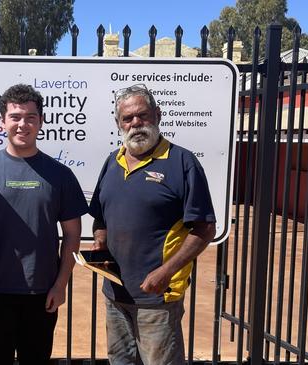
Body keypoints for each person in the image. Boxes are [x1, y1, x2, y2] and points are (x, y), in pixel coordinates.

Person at [89, 84, 216, 365]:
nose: (136, 123)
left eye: (142, 115)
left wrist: (165, 271)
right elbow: (100, 217)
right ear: (118, 123)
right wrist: (100, 241)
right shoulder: (113, 162)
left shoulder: (182, 162)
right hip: (115, 294)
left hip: (158, 297)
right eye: (127, 118)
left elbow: (205, 229)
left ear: (157, 115)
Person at [0, 84, 88, 365]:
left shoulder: (60, 175)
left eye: (31, 117)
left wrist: (61, 285)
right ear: (2, 121)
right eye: (15, 117)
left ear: (41, 122)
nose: (23, 124)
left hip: (42, 293)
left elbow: (72, 234)